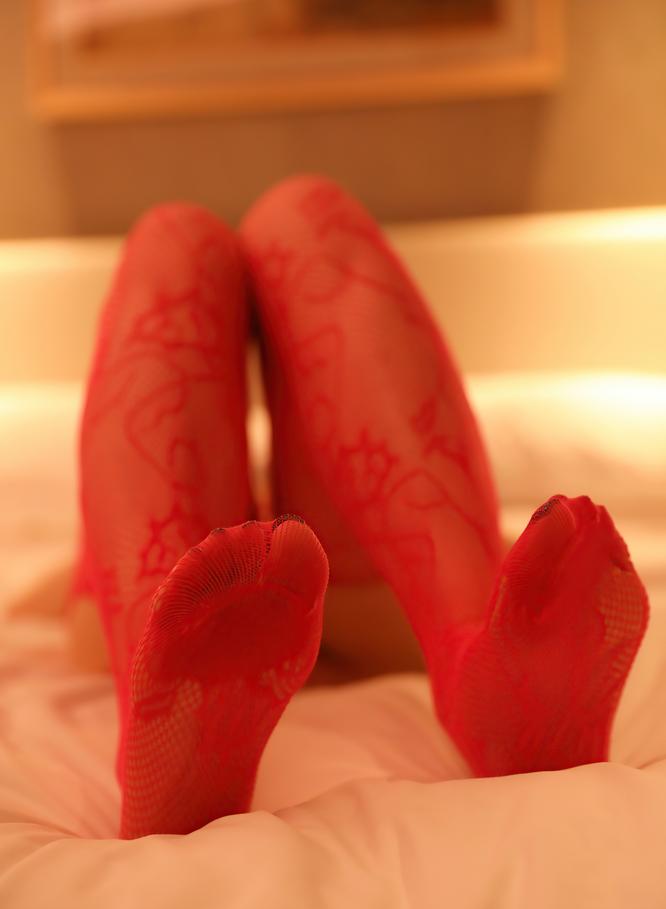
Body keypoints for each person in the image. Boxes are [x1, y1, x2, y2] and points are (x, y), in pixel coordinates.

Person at [71, 175, 649, 840]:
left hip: (217, 594)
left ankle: (157, 671)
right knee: (304, 218)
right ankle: (470, 635)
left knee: (176, 242)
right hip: (384, 596)